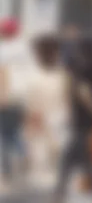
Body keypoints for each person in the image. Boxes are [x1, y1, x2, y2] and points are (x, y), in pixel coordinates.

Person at [53, 37, 92, 203]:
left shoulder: (81, 64)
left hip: (83, 118)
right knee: (76, 157)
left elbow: (82, 90)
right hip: (91, 119)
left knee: (81, 158)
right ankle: (60, 192)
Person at [25, 34, 69, 187]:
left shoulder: (35, 77)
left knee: (41, 166)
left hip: (43, 120)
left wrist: (30, 126)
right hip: (60, 119)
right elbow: (67, 100)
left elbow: (33, 108)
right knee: (56, 160)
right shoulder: (64, 74)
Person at [0, 18, 31, 190]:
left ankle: (6, 171)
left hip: (7, 95)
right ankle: (23, 153)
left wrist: (2, 96)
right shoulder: (24, 48)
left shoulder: (3, 50)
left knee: (3, 135)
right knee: (14, 131)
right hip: (22, 96)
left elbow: (3, 73)